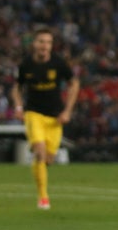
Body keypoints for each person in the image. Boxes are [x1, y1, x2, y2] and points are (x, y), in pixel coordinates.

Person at [10, 27, 80, 210]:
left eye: (48, 42)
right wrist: (18, 107)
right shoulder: (26, 65)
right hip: (33, 114)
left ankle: (40, 168)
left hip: (55, 118)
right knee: (40, 152)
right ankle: (43, 197)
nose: (44, 46)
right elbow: (16, 87)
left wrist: (67, 111)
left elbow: (74, 83)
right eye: (41, 41)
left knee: (48, 159)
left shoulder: (58, 64)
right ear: (34, 44)